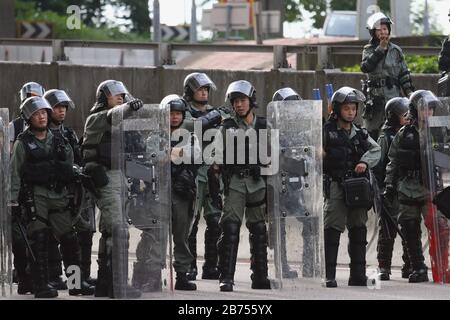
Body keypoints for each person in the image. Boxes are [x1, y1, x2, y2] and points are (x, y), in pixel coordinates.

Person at [10, 96, 94, 298]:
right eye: (36, 114)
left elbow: (70, 166)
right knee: (38, 241)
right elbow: (14, 173)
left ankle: (75, 283)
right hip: (35, 197)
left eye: (44, 113)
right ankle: (40, 285)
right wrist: (12, 201)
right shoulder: (23, 143)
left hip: (59, 196)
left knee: (69, 241)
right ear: (28, 118)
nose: (41, 117)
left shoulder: (59, 140)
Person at [81, 80, 142, 298]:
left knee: (109, 231)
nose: (120, 97)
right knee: (119, 232)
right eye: (115, 94)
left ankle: (105, 284)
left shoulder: (120, 123)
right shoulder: (97, 118)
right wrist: (129, 107)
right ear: (103, 97)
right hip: (105, 179)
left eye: (123, 95)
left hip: (120, 178)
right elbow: (114, 114)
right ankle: (119, 285)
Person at [323, 86, 381, 288]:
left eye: (353, 109)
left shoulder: (360, 133)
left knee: (358, 230)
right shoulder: (325, 132)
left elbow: (376, 150)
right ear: (337, 109)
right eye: (346, 108)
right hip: (336, 186)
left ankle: (357, 275)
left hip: (357, 188)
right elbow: (313, 152)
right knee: (332, 230)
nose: (351, 112)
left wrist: (364, 162)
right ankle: (328, 275)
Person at [216, 80, 271, 292]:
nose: (239, 105)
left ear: (251, 101)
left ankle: (260, 277)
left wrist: (265, 164)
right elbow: (217, 155)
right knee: (229, 228)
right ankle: (226, 277)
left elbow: (277, 152)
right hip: (235, 182)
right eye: (235, 101)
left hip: (258, 182)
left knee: (258, 229)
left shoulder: (265, 125)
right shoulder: (227, 127)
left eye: (242, 100)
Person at [44, 89, 97, 287]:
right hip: (52, 194)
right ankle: (52, 276)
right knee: (52, 237)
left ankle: (79, 278)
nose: (62, 111)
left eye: (64, 108)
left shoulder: (68, 133)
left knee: (84, 233)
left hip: (74, 192)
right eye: (57, 108)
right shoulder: (40, 135)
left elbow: (79, 157)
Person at [384, 90, 437, 283]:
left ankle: (441, 266)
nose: (428, 112)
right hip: (407, 187)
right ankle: (418, 267)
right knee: (410, 229)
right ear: (415, 110)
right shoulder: (403, 134)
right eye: (425, 109)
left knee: (438, 228)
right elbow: (393, 161)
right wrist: (389, 185)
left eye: (431, 109)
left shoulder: (438, 133)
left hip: (430, 188)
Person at [271, 87, 318, 278]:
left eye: (294, 106)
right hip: (279, 187)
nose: (292, 110)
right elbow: (272, 160)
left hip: (299, 187)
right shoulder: (272, 132)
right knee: (279, 228)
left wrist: (307, 162)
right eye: (288, 106)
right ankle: (282, 267)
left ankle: (309, 266)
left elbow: (312, 156)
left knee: (309, 223)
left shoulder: (302, 132)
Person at [182, 72, 225, 281]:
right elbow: (191, 128)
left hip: (213, 172)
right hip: (193, 171)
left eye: (206, 89)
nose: (204, 92)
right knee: (192, 220)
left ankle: (211, 265)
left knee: (215, 220)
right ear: (190, 91)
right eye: (200, 89)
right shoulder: (184, 111)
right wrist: (213, 118)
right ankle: (189, 266)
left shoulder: (214, 112)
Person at [9, 82, 45, 294]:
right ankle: (22, 275)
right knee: (18, 235)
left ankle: (40, 276)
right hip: (18, 186)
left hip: (38, 187)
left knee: (40, 235)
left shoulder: (44, 123)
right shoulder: (14, 126)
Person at [372, 97, 411, 280]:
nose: (407, 117)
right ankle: (384, 266)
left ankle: (409, 264)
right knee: (387, 230)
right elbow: (379, 166)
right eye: (403, 115)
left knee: (409, 228)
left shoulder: (409, 133)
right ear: (393, 117)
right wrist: (381, 190)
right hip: (389, 189)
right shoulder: (385, 137)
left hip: (406, 188)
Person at [360, 12, 414, 140]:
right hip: (375, 99)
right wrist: (380, 49)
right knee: (372, 134)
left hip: (393, 98)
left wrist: (410, 93)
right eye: (379, 29)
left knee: (396, 132)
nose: (383, 32)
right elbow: (365, 67)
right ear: (373, 32)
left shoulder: (396, 50)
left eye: (385, 28)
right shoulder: (368, 49)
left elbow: (404, 74)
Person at [167, 95, 201, 290]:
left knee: (181, 235)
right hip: (161, 191)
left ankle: (181, 275)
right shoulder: (157, 134)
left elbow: (195, 155)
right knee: (155, 235)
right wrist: (177, 153)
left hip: (182, 192)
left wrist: (172, 153)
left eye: (178, 113)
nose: (174, 117)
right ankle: (150, 272)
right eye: (171, 114)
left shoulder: (191, 136)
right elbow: (153, 154)